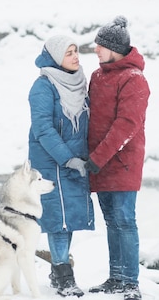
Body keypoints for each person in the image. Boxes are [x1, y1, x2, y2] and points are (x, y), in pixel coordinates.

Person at [85, 16, 150, 300]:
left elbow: (126, 125)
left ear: (115, 48)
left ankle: (131, 282)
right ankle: (116, 278)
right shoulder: (97, 76)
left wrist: (97, 158)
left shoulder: (134, 80)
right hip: (99, 162)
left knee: (125, 220)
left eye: (100, 45)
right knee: (111, 221)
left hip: (121, 163)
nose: (96, 49)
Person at [28, 35, 95, 297]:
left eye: (76, 51)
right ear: (56, 57)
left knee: (71, 219)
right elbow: (43, 129)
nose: (76, 56)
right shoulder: (43, 87)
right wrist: (66, 158)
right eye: (69, 53)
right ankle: (63, 275)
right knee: (59, 219)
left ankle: (59, 272)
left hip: (76, 159)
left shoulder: (79, 82)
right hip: (52, 162)